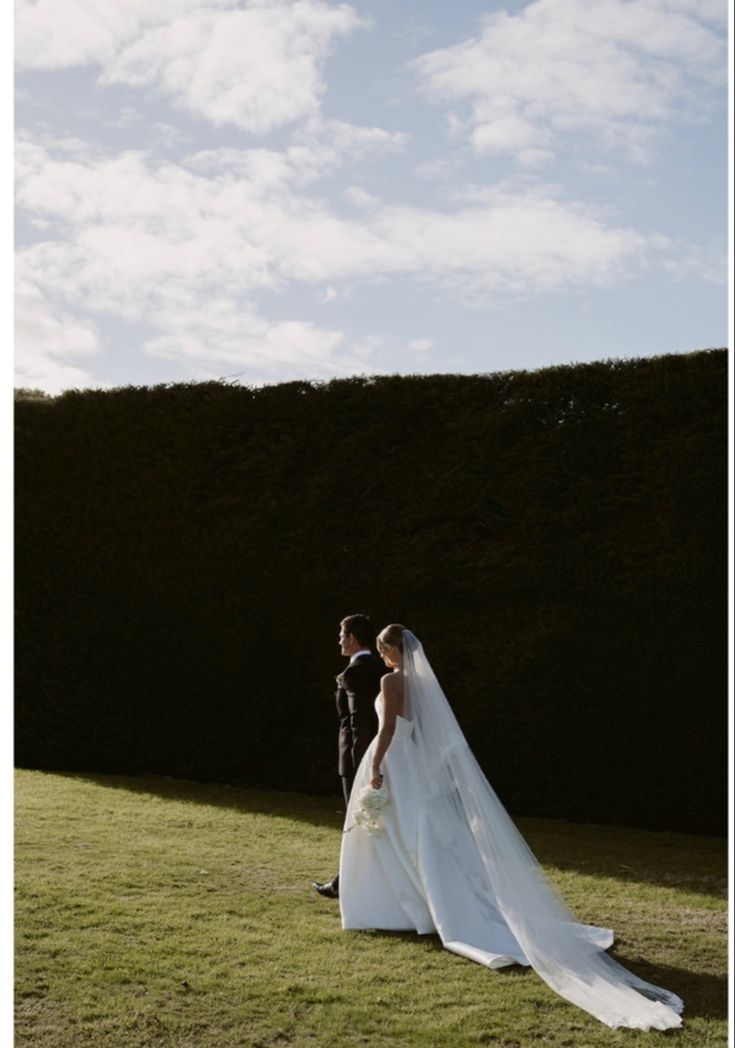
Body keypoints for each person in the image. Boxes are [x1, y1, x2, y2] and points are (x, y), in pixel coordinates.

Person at [339, 625, 684, 1031]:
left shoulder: (390, 680)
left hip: (396, 761)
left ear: (391, 650)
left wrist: (376, 765)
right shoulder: (422, 683)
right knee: (416, 833)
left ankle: (411, 907)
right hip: (415, 765)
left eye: (384, 650)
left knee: (397, 833)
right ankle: (422, 905)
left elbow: (388, 729)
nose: (383, 656)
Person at [312, 613, 385, 899]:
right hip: (381, 752)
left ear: (353, 639)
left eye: (342, 635)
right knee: (368, 821)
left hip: (358, 757)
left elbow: (359, 723)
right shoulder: (380, 667)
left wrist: (363, 765)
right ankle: (347, 881)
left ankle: (345, 885)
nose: (339, 640)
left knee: (357, 821)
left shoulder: (356, 672)